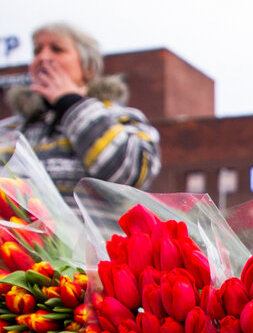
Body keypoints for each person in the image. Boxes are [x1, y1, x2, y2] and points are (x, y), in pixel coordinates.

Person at [0, 22, 160, 210]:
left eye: (57, 49)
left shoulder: (122, 119)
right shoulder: (8, 130)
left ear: (88, 67)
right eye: (36, 51)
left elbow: (131, 175)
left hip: (97, 239)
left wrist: (71, 104)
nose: (43, 57)